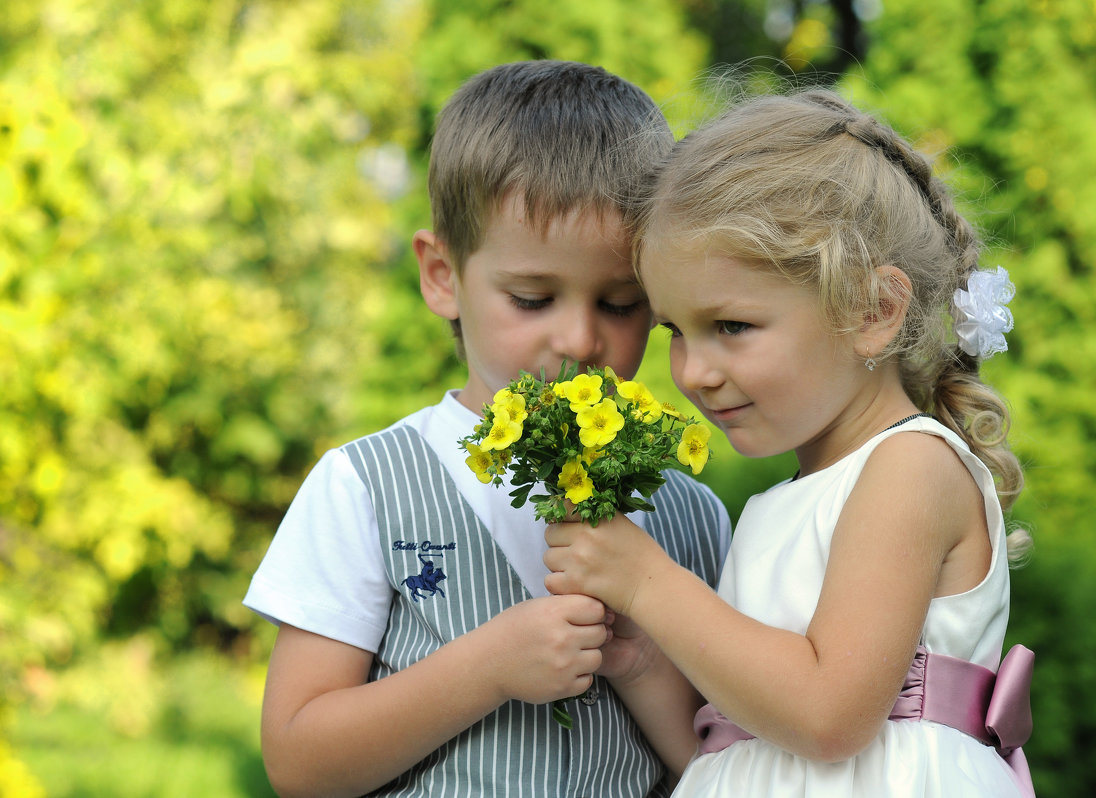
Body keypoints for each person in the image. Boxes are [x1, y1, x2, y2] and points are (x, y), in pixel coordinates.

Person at [244, 60, 732, 798]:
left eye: (622, 303)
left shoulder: (692, 518)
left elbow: (730, 766)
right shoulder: (367, 488)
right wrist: (487, 668)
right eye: (533, 298)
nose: (578, 338)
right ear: (442, 275)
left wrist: (643, 666)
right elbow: (298, 763)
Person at [543, 88, 1035, 797]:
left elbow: (828, 715)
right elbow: (730, 750)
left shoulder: (909, 468)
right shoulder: (783, 502)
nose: (695, 372)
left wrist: (649, 583)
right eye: (675, 332)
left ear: (873, 311)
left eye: (733, 327)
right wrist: (645, 660)